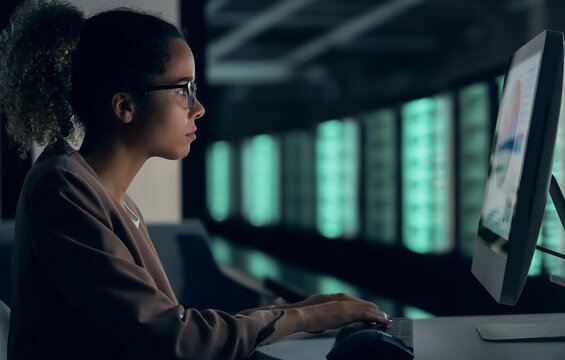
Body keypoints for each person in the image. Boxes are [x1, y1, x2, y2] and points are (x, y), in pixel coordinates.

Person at [0, 1, 389, 359]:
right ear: (125, 106)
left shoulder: (107, 197)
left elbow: (171, 324)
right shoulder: (62, 189)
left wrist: (298, 310)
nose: (198, 108)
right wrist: (302, 320)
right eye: (183, 90)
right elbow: (173, 339)